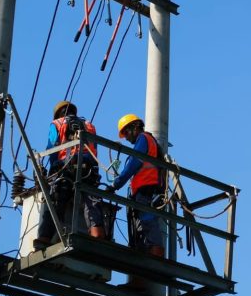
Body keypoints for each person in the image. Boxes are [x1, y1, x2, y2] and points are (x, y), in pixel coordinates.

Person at [34, 100, 104, 250]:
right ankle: (97, 234)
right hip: (88, 168)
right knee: (92, 202)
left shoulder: (57, 123)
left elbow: (52, 147)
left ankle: (44, 238)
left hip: (65, 167)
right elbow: (94, 149)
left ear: (58, 114)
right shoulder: (89, 125)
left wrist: (53, 171)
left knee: (56, 201)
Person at [110, 114, 165, 259]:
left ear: (134, 127)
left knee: (147, 220)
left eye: (126, 132)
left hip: (146, 188)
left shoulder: (143, 139)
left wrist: (116, 184)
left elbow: (134, 163)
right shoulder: (148, 141)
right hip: (146, 188)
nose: (126, 138)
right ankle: (148, 252)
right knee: (142, 223)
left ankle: (155, 253)